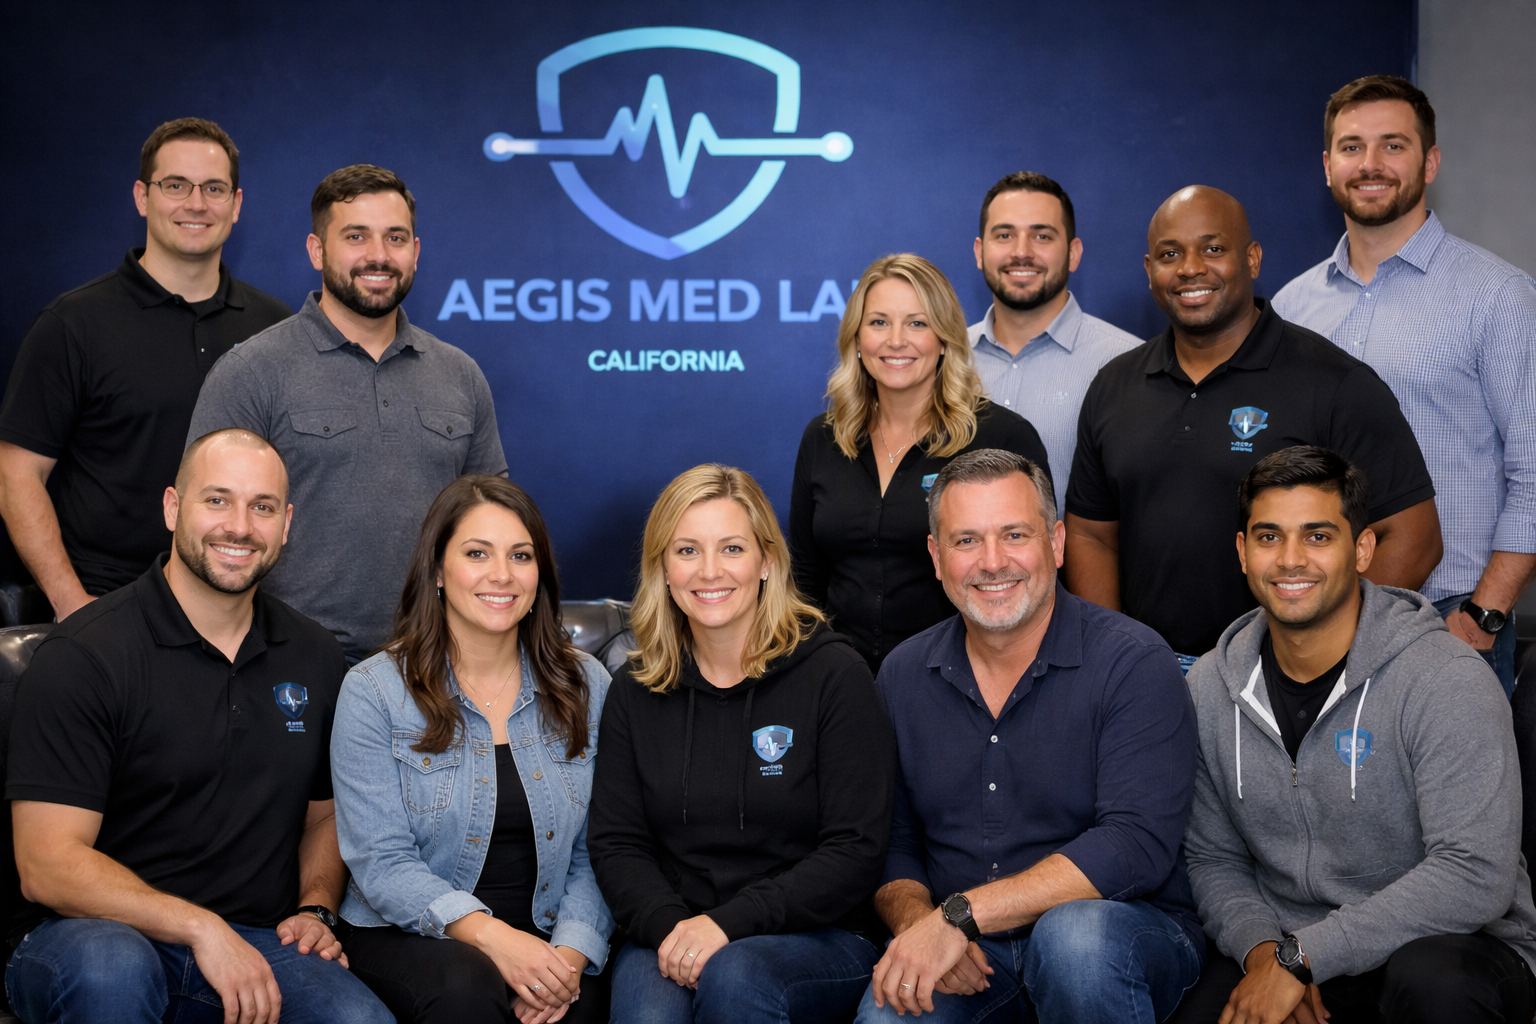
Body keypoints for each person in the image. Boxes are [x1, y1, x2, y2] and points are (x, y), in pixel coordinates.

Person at [3, 428, 390, 1024]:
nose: (239, 526)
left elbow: (327, 813)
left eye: (261, 507)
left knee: (359, 1020)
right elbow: (47, 863)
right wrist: (199, 928)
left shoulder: (313, 654)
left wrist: (315, 910)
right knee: (113, 973)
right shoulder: (86, 654)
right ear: (172, 507)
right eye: (217, 500)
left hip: (256, 940)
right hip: (87, 935)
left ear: (286, 524)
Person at [1176, 446, 1536, 1024]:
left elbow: (1475, 873)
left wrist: (1305, 957)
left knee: (1437, 986)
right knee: (1196, 1005)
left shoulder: (1443, 678)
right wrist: (1267, 955)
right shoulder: (1211, 687)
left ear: (1362, 549)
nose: (1291, 559)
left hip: (1451, 947)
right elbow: (1213, 857)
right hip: (1291, 944)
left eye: (1318, 536)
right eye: (1269, 538)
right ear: (1243, 554)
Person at [860, 448, 1202, 1023]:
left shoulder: (1134, 662)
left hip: (1121, 931)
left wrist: (960, 914)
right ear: (936, 557)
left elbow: (1135, 844)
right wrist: (922, 926)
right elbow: (892, 843)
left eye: (1015, 534)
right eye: (966, 541)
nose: (993, 562)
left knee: (1073, 942)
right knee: (888, 1015)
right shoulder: (901, 674)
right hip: (965, 949)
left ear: (1057, 543)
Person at [1065, 185, 1440, 669]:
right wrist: (1115, 656)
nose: (1191, 268)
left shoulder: (1335, 383)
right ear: (1149, 269)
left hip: (1285, 673)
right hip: (1147, 673)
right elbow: (1092, 535)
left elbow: (1415, 537)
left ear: (1253, 258)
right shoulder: (1113, 386)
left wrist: (1329, 650)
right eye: (1170, 253)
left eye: (1214, 248)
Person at [589, 464, 895, 1024]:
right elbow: (617, 843)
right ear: (662, 568)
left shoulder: (834, 675)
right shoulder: (636, 688)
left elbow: (856, 849)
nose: (709, 571)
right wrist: (671, 928)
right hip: (673, 927)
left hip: (818, 937)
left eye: (731, 547)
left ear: (767, 562)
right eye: (686, 551)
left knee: (738, 976)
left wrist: (728, 925)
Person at [1272, 76, 1536, 697]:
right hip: (1312, 617)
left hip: (1449, 621)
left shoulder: (1497, 296)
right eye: (1351, 147)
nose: (1370, 164)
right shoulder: (1291, 308)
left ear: (1430, 161)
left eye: (1393, 145)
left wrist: (1483, 615)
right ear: (1328, 166)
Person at [187, 163, 506, 661]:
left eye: (395, 238)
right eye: (356, 236)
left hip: (433, 663)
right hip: (288, 666)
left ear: (416, 254)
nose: (378, 255)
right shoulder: (251, 371)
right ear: (318, 250)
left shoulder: (460, 375)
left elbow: (494, 528)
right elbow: (206, 524)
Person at [332, 475, 613, 1024]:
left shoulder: (588, 685)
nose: (502, 575)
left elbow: (603, 850)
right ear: (437, 570)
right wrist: (493, 939)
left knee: (581, 1009)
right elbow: (381, 862)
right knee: (467, 986)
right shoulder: (374, 691)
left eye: (521, 555)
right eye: (477, 553)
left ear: (541, 574)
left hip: (553, 935)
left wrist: (570, 956)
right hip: (410, 933)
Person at [0, 118, 291, 621]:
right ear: (142, 196)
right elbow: (16, 473)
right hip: (104, 606)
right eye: (175, 185)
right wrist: (73, 606)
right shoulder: (73, 324)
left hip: (235, 612)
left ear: (236, 204)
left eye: (214, 188)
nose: (196, 203)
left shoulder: (277, 329)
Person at [791, 253, 1051, 672]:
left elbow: (1038, 573)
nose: (896, 340)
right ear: (856, 339)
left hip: (963, 681)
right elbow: (805, 579)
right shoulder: (822, 438)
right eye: (878, 322)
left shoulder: (1002, 437)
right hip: (841, 684)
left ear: (945, 338)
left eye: (917, 323)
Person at [968, 171, 1142, 511]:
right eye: (1004, 235)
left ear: (1073, 253)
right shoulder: (941, 359)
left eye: (1042, 236)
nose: (1022, 252)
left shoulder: (1129, 363)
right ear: (979, 251)